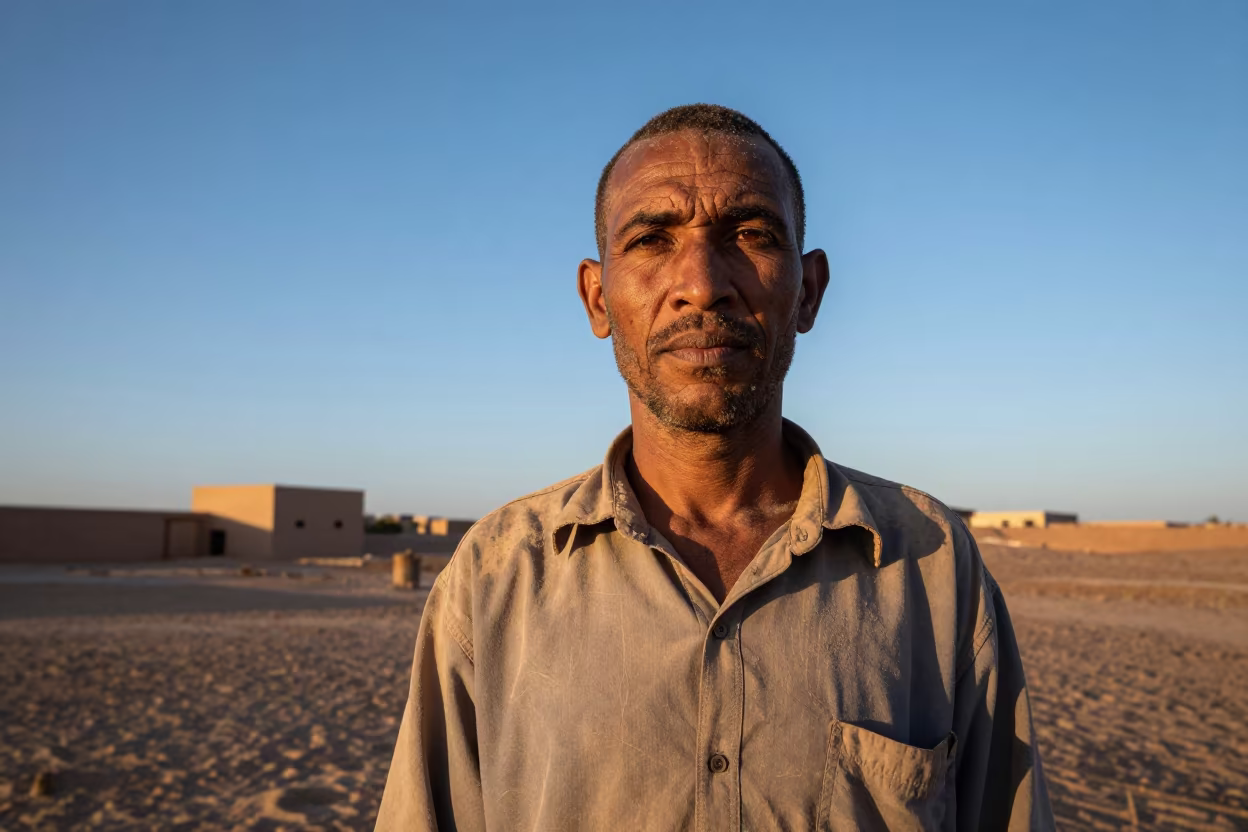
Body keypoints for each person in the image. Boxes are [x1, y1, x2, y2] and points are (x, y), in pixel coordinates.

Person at [376, 104, 1053, 831]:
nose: (701, 283)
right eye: (651, 240)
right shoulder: (495, 575)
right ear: (598, 298)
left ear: (810, 290)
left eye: (752, 234)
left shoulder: (931, 563)